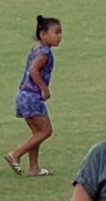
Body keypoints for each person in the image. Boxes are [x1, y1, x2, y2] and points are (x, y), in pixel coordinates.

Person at [6, 15, 63, 175]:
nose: (59, 37)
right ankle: (15, 154)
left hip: (22, 95)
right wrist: (44, 89)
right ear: (43, 34)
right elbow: (33, 70)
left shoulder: (36, 49)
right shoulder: (44, 53)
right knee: (45, 131)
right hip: (32, 97)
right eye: (56, 32)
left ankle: (34, 168)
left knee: (36, 133)